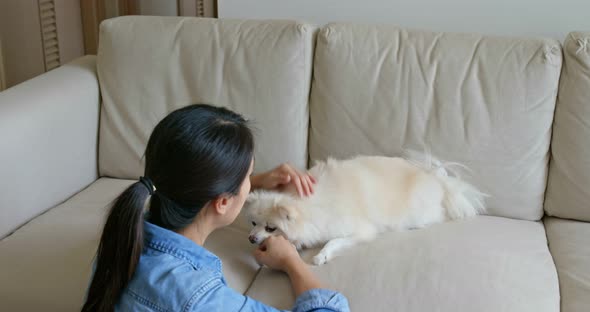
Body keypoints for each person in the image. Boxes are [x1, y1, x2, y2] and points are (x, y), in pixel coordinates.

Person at [81, 104, 350, 312]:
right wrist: (292, 261)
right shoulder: (197, 298)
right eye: (248, 177)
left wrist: (252, 183)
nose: (250, 184)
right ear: (221, 202)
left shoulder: (122, 238)